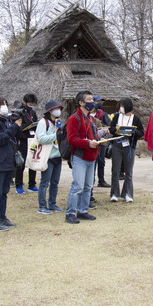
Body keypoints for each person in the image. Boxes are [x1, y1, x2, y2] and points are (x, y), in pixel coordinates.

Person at [0, 96, 22, 231]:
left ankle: (2, 217)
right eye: (2, 104)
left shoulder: (7, 121)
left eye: (6, 104)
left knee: (4, 192)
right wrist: (14, 126)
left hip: (9, 160)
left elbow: (14, 136)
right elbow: (1, 139)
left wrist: (17, 125)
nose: (5, 107)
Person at [65, 90, 100, 224]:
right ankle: (70, 212)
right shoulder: (74, 118)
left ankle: (83, 210)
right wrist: (87, 143)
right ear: (81, 103)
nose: (92, 102)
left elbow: (92, 136)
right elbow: (71, 139)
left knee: (87, 186)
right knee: (78, 186)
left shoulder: (90, 118)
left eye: (92, 99)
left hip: (91, 156)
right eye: (89, 100)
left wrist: (98, 139)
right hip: (80, 156)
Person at [108, 98, 144, 203]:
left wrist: (133, 132)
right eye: (120, 106)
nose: (121, 108)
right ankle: (114, 193)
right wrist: (116, 129)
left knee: (128, 171)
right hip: (117, 145)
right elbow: (111, 129)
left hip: (129, 146)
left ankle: (128, 193)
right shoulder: (116, 117)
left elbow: (141, 132)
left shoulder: (135, 118)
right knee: (115, 170)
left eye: (122, 106)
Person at [34, 100, 64, 214]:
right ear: (50, 110)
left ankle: (52, 204)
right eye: (56, 109)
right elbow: (41, 139)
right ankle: (42, 206)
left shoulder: (57, 122)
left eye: (59, 109)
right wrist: (55, 134)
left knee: (55, 182)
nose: (58, 111)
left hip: (57, 155)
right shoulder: (43, 122)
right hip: (47, 156)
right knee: (44, 183)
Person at [14, 93, 39, 195]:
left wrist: (36, 124)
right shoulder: (19, 112)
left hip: (32, 140)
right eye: (29, 103)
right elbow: (17, 127)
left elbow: (36, 122)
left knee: (33, 161)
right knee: (21, 163)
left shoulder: (33, 112)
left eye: (33, 104)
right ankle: (19, 185)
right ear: (25, 102)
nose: (31, 105)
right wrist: (28, 124)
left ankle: (32, 184)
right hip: (22, 140)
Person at [92, 95, 112, 189]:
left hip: (102, 140)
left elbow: (109, 125)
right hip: (92, 140)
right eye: (97, 101)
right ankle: (91, 181)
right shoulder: (89, 115)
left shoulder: (103, 114)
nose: (100, 103)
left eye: (101, 101)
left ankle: (101, 180)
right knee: (93, 162)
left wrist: (104, 129)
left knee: (101, 161)